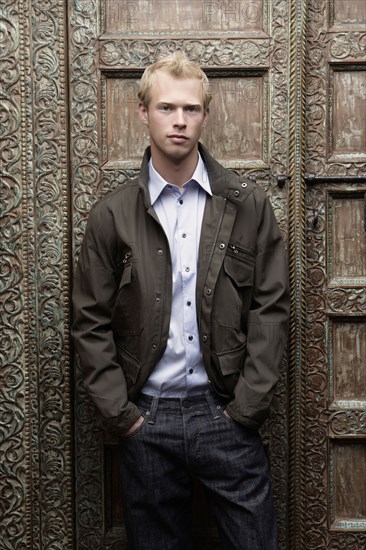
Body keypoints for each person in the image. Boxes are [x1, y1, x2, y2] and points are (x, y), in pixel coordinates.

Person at [72, 51, 290, 550]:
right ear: (142, 112)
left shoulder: (246, 205)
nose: (179, 120)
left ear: (206, 116)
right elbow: (89, 322)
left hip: (226, 416)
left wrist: (247, 406)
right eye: (167, 107)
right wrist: (123, 417)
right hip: (148, 420)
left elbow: (271, 309)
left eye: (191, 109)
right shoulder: (112, 215)